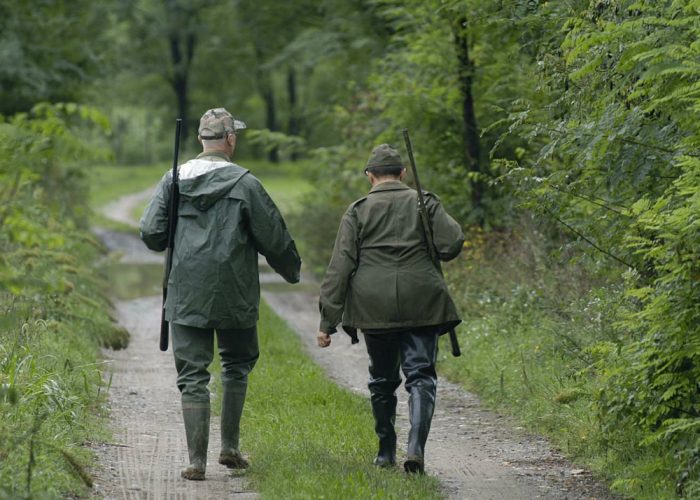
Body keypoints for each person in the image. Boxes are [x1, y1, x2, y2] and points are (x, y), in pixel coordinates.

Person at [140, 108, 301, 481]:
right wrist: (292, 271)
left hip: (186, 291)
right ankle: (229, 447)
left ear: (201, 140)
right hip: (235, 292)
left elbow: (150, 232)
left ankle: (196, 462)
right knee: (236, 364)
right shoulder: (246, 183)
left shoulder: (173, 179)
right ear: (229, 139)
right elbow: (273, 237)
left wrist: (175, 239)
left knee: (193, 374)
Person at [316, 143, 463, 474]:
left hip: (373, 306)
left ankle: (385, 452)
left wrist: (327, 321)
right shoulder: (424, 202)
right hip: (422, 300)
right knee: (421, 375)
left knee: (382, 379)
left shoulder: (357, 210)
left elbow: (340, 267)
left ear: (370, 176)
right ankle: (416, 448)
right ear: (403, 173)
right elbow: (451, 244)